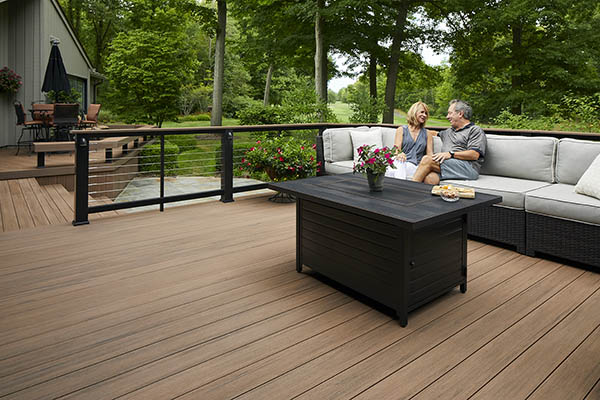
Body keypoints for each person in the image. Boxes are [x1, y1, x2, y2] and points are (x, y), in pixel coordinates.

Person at [412, 99, 486, 185]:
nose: (447, 117)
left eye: (450, 113)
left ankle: (408, 191)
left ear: (460, 114)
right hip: (449, 165)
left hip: (468, 167)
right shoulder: (448, 132)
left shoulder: (475, 130)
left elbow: (474, 155)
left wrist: (451, 154)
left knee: (427, 159)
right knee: (430, 178)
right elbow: (431, 133)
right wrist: (412, 129)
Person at [385, 101, 436, 180]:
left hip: (415, 166)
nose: (424, 115)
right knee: (399, 163)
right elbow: (396, 150)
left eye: (426, 113)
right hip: (402, 161)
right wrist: (400, 154)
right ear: (414, 112)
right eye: (422, 112)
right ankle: (400, 185)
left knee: (394, 169)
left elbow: (429, 155)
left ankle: (397, 185)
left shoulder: (427, 134)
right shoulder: (401, 130)